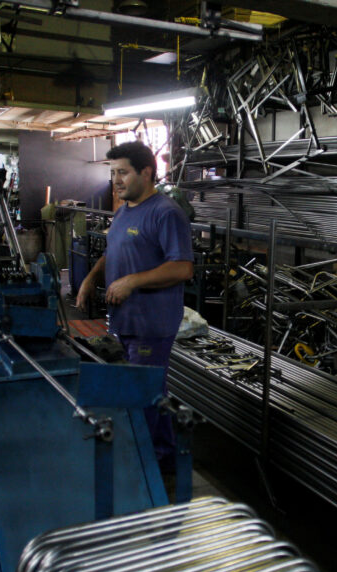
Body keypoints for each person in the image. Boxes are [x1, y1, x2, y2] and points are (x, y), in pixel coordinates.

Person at [75, 141, 193, 475]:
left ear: (146, 172)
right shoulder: (124, 211)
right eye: (113, 173)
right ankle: (164, 454)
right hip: (126, 320)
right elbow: (112, 251)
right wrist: (90, 279)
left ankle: (151, 465)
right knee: (149, 389)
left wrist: (132, 281)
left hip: (151, 324)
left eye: (123, 172)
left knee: (143, 394)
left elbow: (183, 268)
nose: (116, 180)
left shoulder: (166, 213)